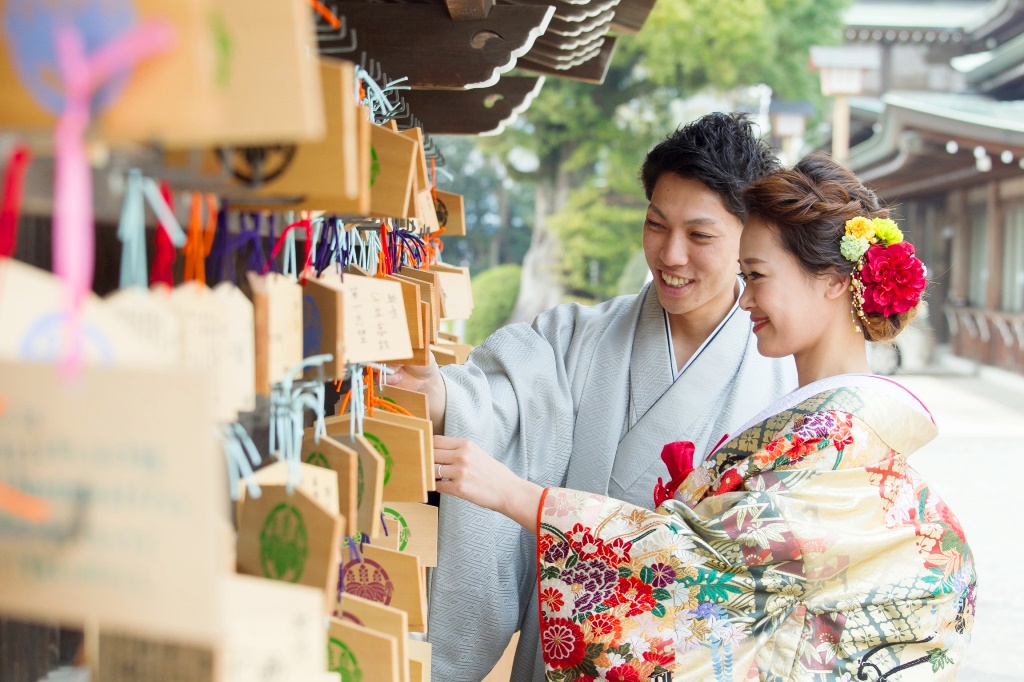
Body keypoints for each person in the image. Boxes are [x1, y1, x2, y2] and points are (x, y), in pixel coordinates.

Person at [434, 153, 976, 681]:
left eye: (757, 275)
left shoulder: (835, 436)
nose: (746, 300)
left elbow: (692, 565)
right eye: (656, 224)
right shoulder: (824, 422)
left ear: (835, 281)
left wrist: (514, 494)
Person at [388, 113, 797, 679]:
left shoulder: (781, 380)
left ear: (747, 240)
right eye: (656, 224)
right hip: (562, 648)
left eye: (699, 235)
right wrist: (438, 396)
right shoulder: (578, 339)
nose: (671, 255)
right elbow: (497, 402)